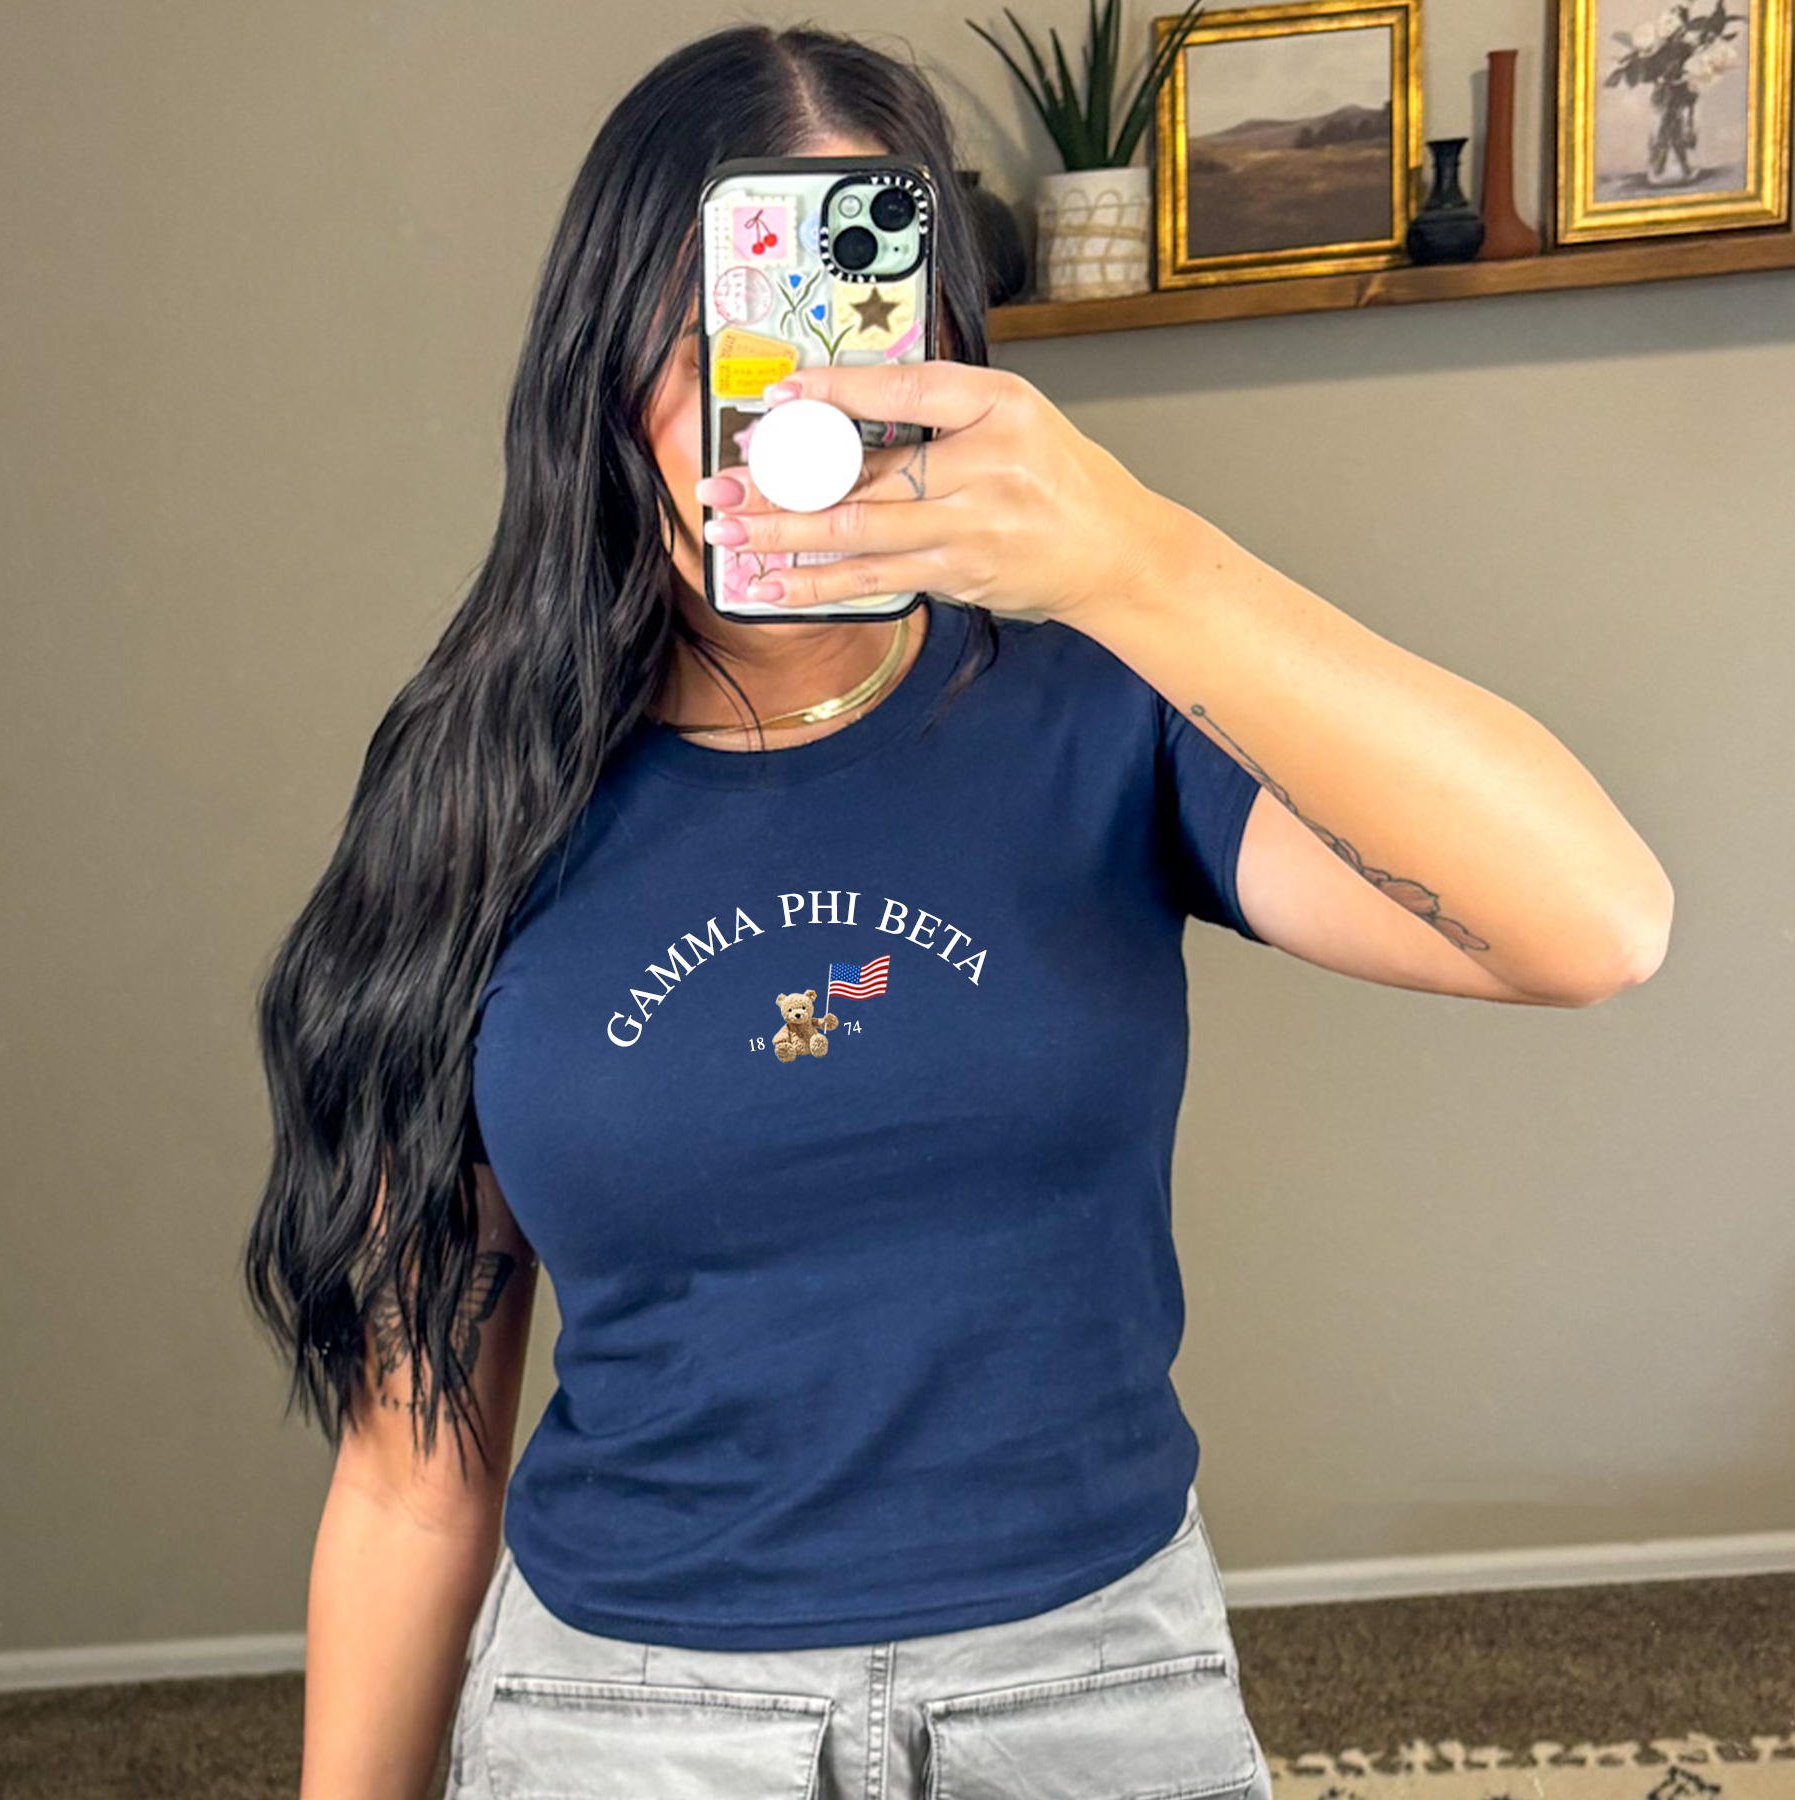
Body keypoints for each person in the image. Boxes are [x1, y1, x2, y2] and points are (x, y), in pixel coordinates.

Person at [242, 22, 1675, 1800]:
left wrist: (1138, 555)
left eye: (841, 347)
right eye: (705, 349)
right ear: (601, 379)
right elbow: (409, 1481)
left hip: (1094, 1688)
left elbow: (1596, 924)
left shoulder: (1111, 708)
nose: (780, 424)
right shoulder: (471, 802)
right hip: (630, 1718)